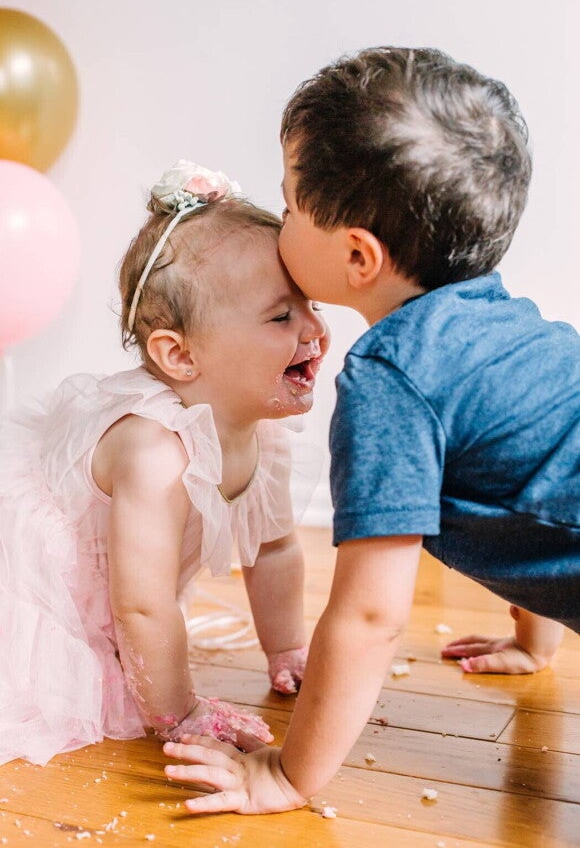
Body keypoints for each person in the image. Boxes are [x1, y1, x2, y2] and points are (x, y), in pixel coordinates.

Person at [162, 47, 580, 815]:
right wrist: (536, 637)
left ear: (358, 255)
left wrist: (287, 774)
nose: (281, 221)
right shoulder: (501, 326)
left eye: (291, 207)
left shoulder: (391, 381)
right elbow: (541, 483)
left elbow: (369, 614)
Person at [0, 160, 328, 767]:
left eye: (309, 304)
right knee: (58, 666)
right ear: (179, 355)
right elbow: (142, 605)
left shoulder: (266, 432)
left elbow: (274, 550)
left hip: (133, 584)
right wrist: (177, 712)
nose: (314, 327)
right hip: (50, 575)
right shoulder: (155, 451)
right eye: (281, 316)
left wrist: (286, 649)